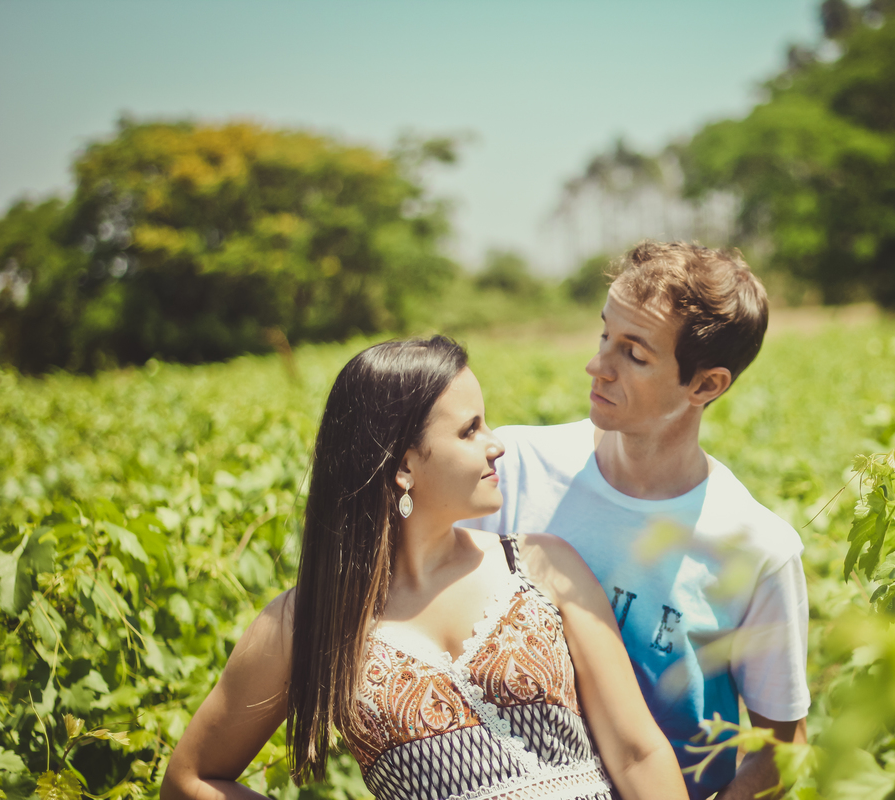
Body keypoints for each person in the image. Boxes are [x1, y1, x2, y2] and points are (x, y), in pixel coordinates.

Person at [162, 336, 689, 800]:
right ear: (403, 465)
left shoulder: (542, 564)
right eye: (469, 430)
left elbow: (637, 754)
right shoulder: (308, 621)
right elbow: (190, 781)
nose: (496, 444)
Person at [461, 242, 811, 800]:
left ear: (706, 385)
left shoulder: (756, 549)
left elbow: (782, 749)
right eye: (605, 335)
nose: (597, 366)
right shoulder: (514, 466)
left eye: (634, 354)